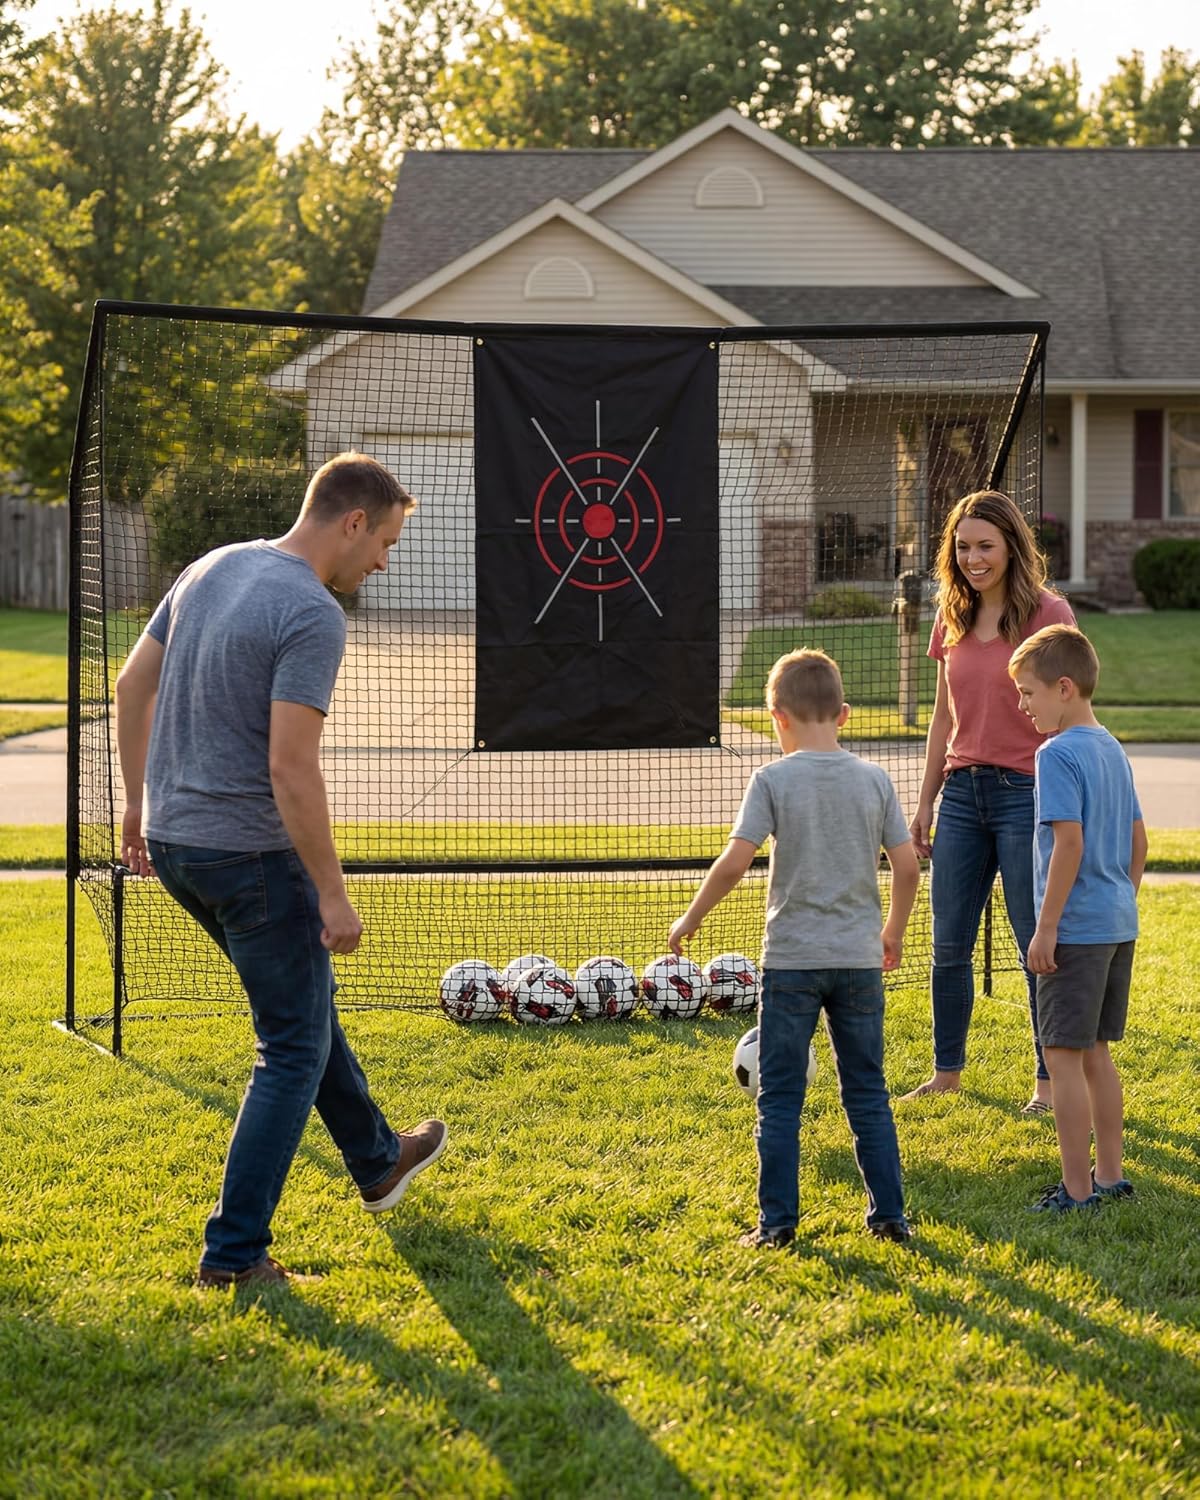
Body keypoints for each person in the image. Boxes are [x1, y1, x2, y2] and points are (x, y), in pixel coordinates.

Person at [115, 452, 448, 1288]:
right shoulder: (311, 610)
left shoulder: (211, 566)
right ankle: (233, 1256)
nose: (384, 562)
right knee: (292, 1045)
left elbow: (129, 687)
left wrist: (135, 803)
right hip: (250, 857)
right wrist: (333, 894)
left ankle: (379, 1159)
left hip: (179, 844)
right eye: (386, 543)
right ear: (353, 522)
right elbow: (291, 767)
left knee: (302, 1007)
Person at [668, 649, 919, 1247]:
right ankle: (890, 1217)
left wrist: (691, 917)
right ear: (844, 713)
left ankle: (776, 1225)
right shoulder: (875, 779)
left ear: (776, 717)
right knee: (867, 1092)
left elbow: (735, 862)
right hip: (858, 961)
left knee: (780, 1098)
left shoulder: (772, 779)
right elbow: (908, 867)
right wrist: (893, 931)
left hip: (791, 963)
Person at [901, 490, 1076, 1111]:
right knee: (948, 944)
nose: (973, 559)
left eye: (986, 546)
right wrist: (925, 801)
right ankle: (946, 1073)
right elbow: (943, 718)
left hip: (1027, 795)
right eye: (963, 547)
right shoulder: (951, 615)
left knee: (1035, 944)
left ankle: (1047, 1084)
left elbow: (1070, 709)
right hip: (961, 796)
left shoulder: (1048, 612)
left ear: (1011, 547)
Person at [1008, 624, 1147, 1213]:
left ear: (1064, 688)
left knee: (1063, 1057)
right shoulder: (1112, 746)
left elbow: (1068, 844)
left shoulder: (1057, 753)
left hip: (1076, 932)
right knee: (1096, 1053)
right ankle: (1110, 1176)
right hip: (1116, 924)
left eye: (1028, 693)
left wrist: (1046, 928)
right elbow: (1139, 841)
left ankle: (1076, 1189)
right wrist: (1120, 898)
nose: (1023, 705)